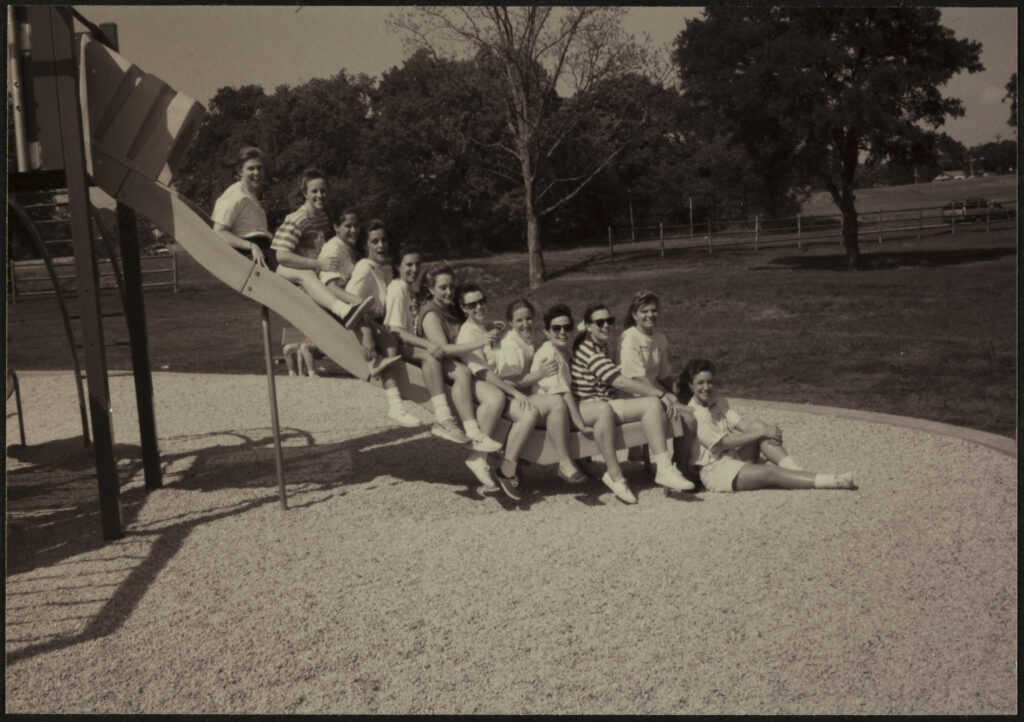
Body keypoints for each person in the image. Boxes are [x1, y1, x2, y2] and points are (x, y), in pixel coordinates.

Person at [571, 303, 695, 504]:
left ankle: (664, 468)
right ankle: (661, 468)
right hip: (589, 408)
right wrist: (660, 394)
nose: (606, 326)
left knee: (651, 404)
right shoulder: (589, 350)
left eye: (609, 321)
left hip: (602, 404)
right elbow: (618, 381)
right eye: (599, 322)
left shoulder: (598, 345)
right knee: (652, 403)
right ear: (588, 326)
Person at [681, 358, 856, 492]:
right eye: (700, 383)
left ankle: (794, 469)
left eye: (710, 382)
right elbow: (723, 443)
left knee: (757, 425)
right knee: (770, 473)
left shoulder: (719, 401)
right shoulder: (695, 412)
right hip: (716, 471)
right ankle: (834, 481)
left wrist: (767, 431)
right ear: (690, 386)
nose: (707, 387)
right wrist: (763, 432)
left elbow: (743, 425)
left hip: (732, 457)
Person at [416, 264, 505, 490]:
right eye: (442, 287)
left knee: (495, 398)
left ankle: (478, 457)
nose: (448, 292)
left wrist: (487, 326)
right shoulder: (430, 313)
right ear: (431, 288)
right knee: (479, 385)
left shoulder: (450, 307)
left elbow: (462, 328)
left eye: (451, 286)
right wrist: (480, 340)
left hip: (461, 363)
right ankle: (474, 433)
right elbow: (443, 349)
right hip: (443, 367)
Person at [455, 285, 540, 502]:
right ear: (463, 308)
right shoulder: (468, 333)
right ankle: (491, 462)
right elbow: (483, 372)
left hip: (493, 385)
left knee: (529, 412)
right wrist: (515, 392)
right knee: (528, 413)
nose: (479, 307)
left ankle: (507, 466)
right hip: (483, 388)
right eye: (472, 305)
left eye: (481, 301)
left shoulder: (481, 328)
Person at [497, 300, 591, 486]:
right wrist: (539, 374)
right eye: (519, 320)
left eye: (529, 318)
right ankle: (564, 463)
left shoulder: (526, 340)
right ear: (510, 322)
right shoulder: (511, 345)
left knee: (556, 401)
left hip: (525, 395)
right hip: (510, 397)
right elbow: (507, 382)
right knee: (556, 403)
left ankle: (571, 460)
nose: (525, 324)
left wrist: (580, 330)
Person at [384, 243, 469, 444]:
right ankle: (443, 416)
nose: (414, 269)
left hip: (409, 343)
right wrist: (427, 344)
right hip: (397, 345)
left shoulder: (409, 290)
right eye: (408, 265)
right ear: (397, 266)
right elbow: (394, 330)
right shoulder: (397, 288)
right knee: (431, 355)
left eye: (417, 264)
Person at [270, 169, 370, 329]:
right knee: (310, 275)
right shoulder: (298, 219)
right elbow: (281, 256)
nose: (320, 195)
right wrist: (317, 264)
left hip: (312, 275)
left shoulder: (322, 217)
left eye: (323, 191)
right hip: (291, 274)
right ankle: (344, 310)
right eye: (314, 191)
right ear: (305, 193)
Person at [619, 289, 698, 478]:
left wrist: (680, 390)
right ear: (634, 315)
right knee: (689, 418)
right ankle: (680, 466)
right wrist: (665, 396)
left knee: (695, 407)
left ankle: (690, 460)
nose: (650, 315)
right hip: (633, 396)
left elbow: (663, 376)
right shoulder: (630, 338)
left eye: (653, 311)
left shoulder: (660, 339)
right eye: (644, 311)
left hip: (651, 393)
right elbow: (637, 378)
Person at [211, 146, 274, 268]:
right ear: (240, 170)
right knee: (304, 274)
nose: (257, 173)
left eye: (260, 168)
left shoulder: (250, 195)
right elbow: (219, 231)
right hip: (249, 254)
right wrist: (251, 246)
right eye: (251, 168)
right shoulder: (235, 195)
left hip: (263, 250)